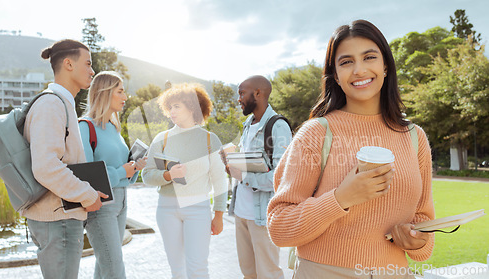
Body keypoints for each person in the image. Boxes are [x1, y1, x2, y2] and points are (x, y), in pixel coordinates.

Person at [266, 20, 434, 278]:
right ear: (335, 74)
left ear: (385, 65)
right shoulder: (316, 133)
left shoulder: (414, 137)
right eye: (346, 62)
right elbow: (280, 228)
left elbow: (424, 220)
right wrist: (340, 198)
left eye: (369, 57)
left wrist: (418, 241)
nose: (359, 69)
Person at [23, 39, 107, 279]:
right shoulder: (51, 104)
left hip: (61, 216)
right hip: (57, 219)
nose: (93, 71)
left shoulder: (62, 104)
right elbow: (46, 166)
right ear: (68, 64)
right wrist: (87, 194)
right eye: (88, 64)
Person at [142, 83, 228, 279]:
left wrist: (219, 215)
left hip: (198, 208)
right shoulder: (161, 139)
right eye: (170, 107)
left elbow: (220, 180)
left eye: (177, 106)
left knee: (197, 268)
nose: (171, 111)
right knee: (177, 270)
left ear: (192, 107)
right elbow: (146, 175)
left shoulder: (209, 140)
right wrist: (168, 175)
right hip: (166, 209)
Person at [79, 71, 147, 279]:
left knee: (105, 267)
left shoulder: (113, 127)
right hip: (101, 207)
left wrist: (134, 167)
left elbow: (123, 171)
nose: (125, 97)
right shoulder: (85, 126)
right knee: (114, 269)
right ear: (105, 93)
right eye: (120, 91)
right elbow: (86, 176)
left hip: (122, 203)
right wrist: (121, 171)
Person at [228, 75, 292, 279]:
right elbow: (249, 164)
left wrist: (244, 176)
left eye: (241, 93)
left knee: (268, 273)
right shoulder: (248, 123)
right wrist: (231, 166)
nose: (238, 99)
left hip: (262, 217)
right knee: (248, 273)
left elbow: (282, 178)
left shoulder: (278, 126)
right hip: (241, 212)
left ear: (258, 93)